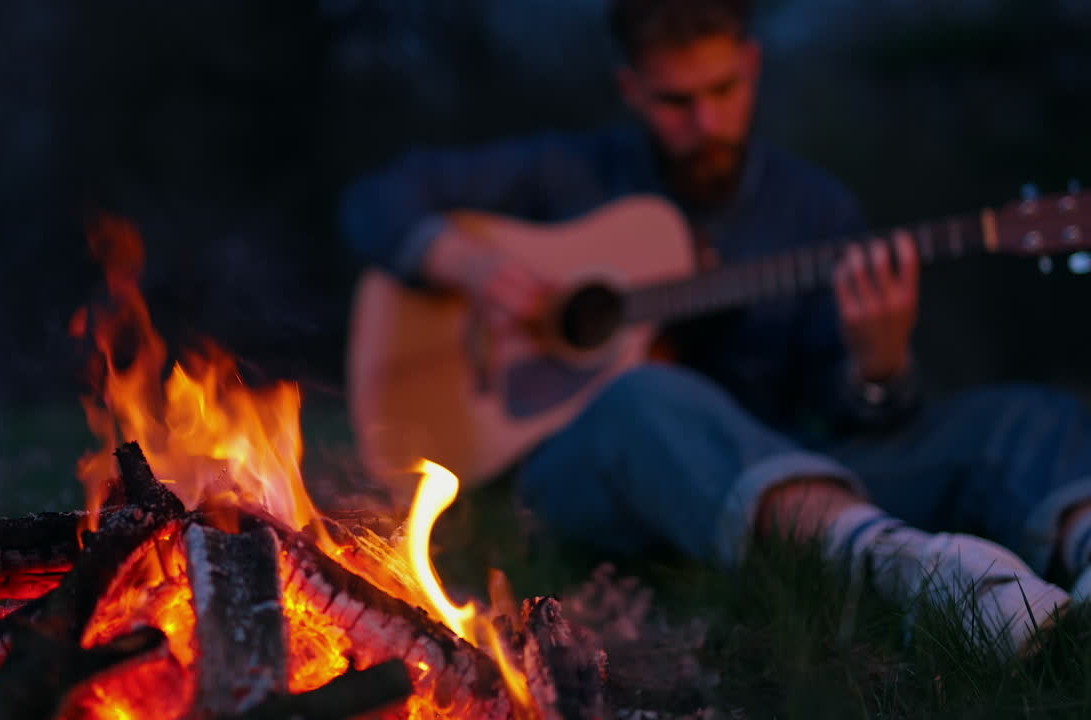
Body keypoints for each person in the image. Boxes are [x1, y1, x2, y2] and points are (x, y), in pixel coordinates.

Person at [337, 0, 1091, 658]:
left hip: (771, 474)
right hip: (587, 465)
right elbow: (375, 199)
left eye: (723, 90)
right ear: (630, 88)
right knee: (645, 395)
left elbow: (858, 424)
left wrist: (879, 370)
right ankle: (904, 571)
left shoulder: (811, 209)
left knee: (1027, 418)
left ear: (753, 66)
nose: (705, 123)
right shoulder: (567, 171)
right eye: (675, 101)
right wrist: (459, 260)